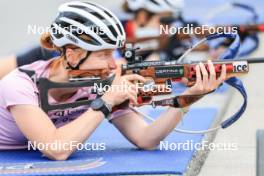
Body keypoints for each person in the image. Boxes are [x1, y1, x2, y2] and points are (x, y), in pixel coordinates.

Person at [0, 1, 226, 161]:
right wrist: (105, 102)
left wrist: (187, 99)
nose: (112, 64)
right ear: (73, 54)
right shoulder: (19, 84)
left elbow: (146, 138)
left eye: (113, 54)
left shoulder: (98, 82)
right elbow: (57, 150)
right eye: (104, 55)